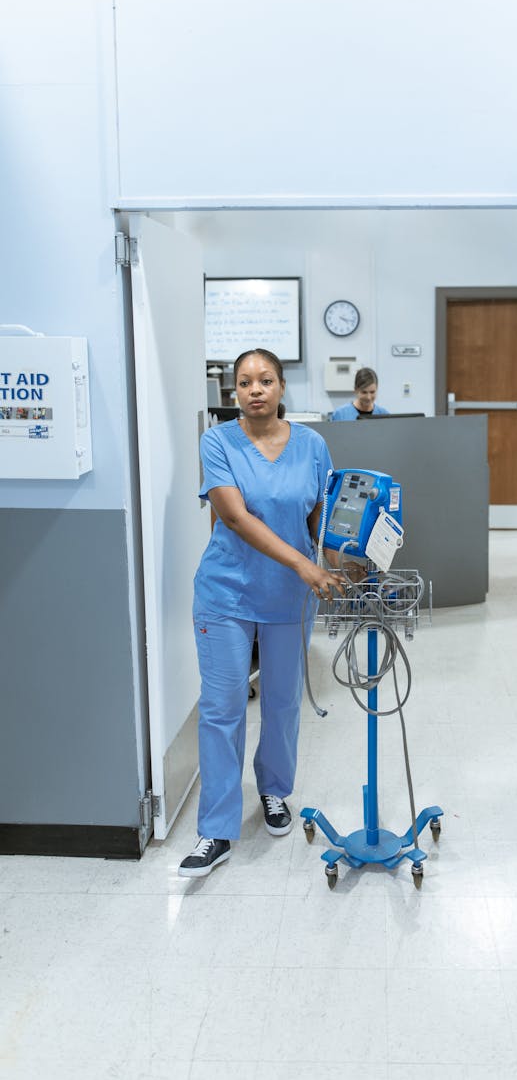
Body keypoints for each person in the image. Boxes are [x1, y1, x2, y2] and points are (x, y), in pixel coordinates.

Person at [179, 348, 346, 877]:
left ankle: (274, 792)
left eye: (266, 380)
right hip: (227, 593)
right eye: (245, 382)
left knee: (280, 704)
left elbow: (322, 517)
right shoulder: (218, 441)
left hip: (288, 598)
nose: (255, 389)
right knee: (223, 707)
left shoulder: (313, 446)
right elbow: (233, 515)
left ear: (280, 388)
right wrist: (305, 564)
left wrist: (347, 559)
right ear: (234, 393)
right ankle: (216, 829)